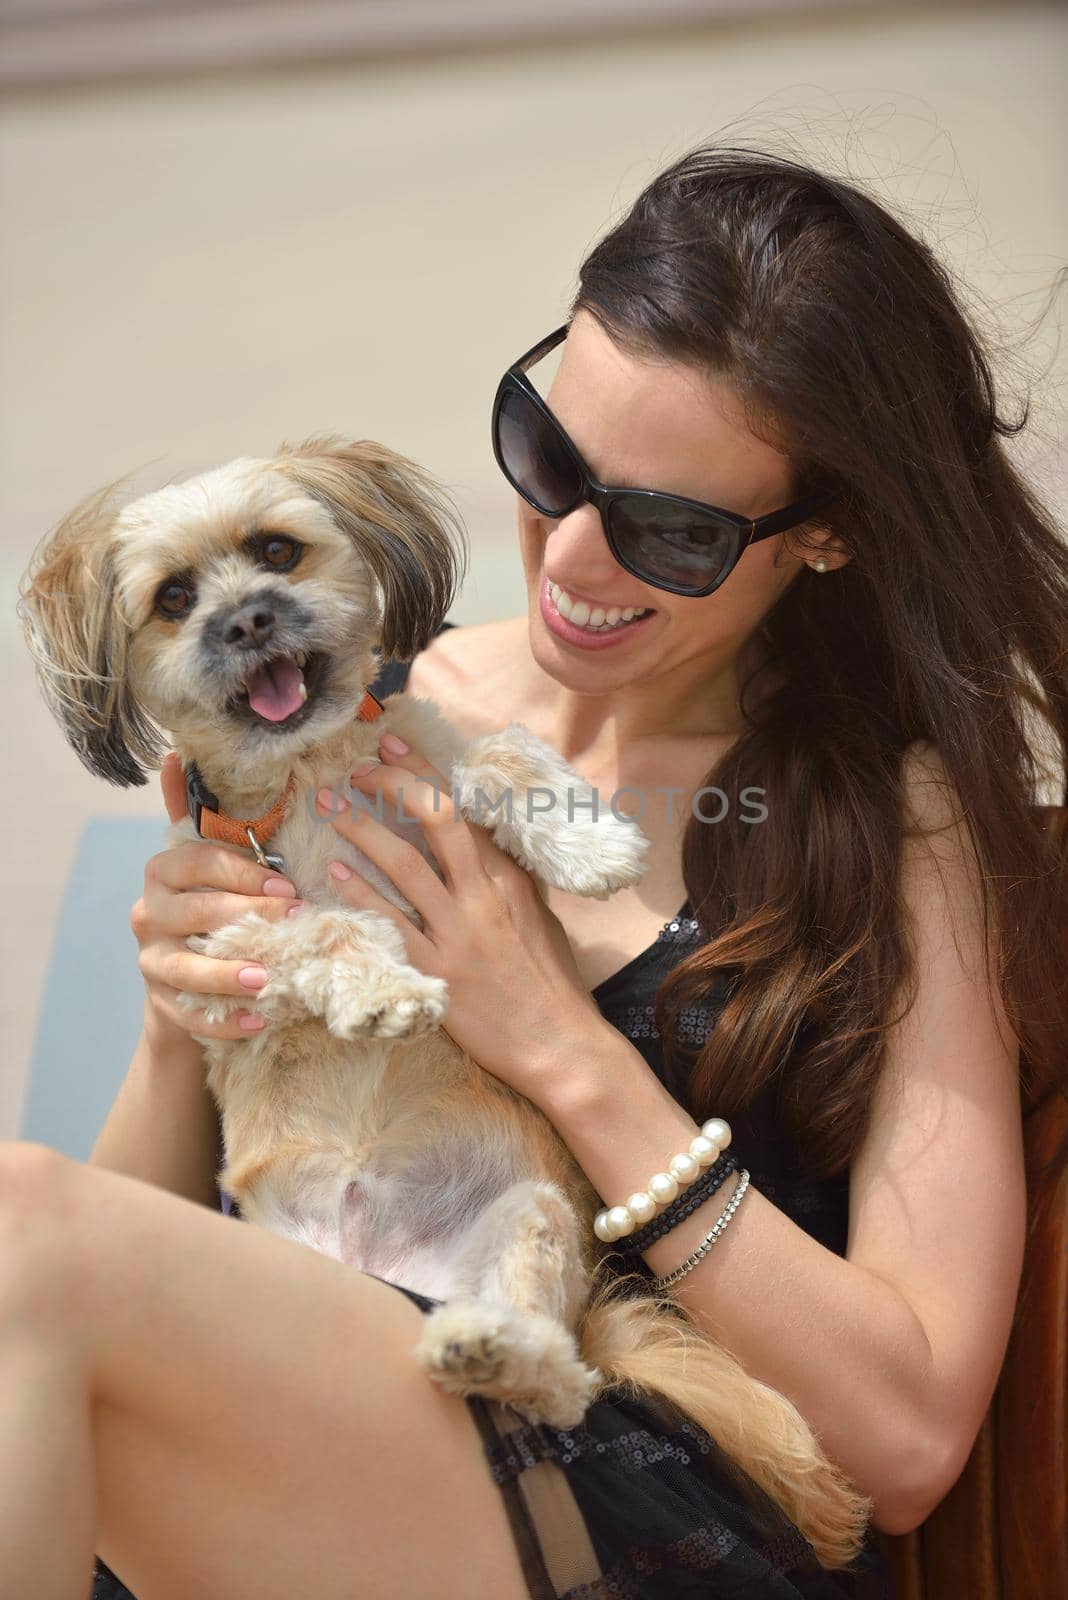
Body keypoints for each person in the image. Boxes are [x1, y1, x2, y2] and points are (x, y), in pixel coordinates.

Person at [6, 141, 1067, 1600]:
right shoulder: (350, 715)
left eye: (673, 530)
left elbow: (907, 1433)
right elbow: (133, 1262)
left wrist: (565, 1050)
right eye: (552, 458)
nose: (570, 552)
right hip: (314, 1423)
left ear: (827, 532)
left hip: (629, 1497)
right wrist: (179, 1029)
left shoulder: (901, 821)